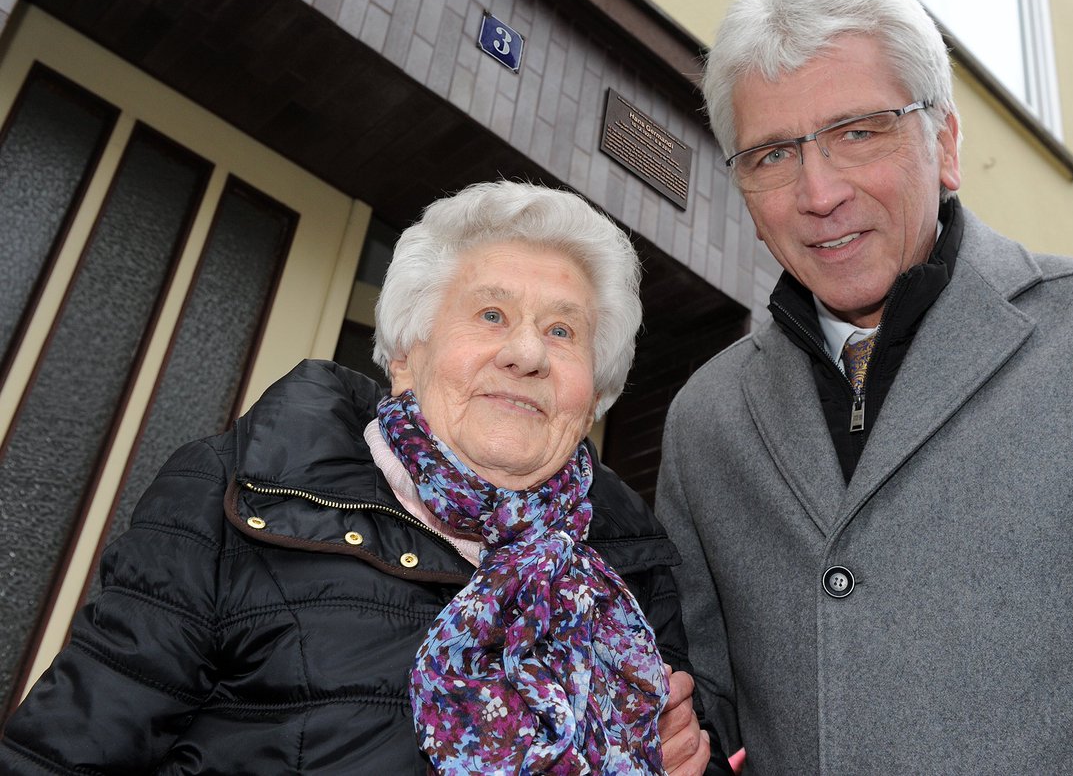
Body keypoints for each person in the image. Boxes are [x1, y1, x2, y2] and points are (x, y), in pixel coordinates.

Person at [655, 0, 1073, 775]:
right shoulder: (706, 420)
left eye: (858, 132)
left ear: (943, 143)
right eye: (771, 154)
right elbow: (715, 715)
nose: (819, 191)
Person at [0, 181, 728, 775]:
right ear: (407, 356)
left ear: (594, 391)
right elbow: (64, 752)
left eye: (564, 331)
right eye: (492, 313)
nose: (528, 352)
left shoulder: (632, 566)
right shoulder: (237, 489)